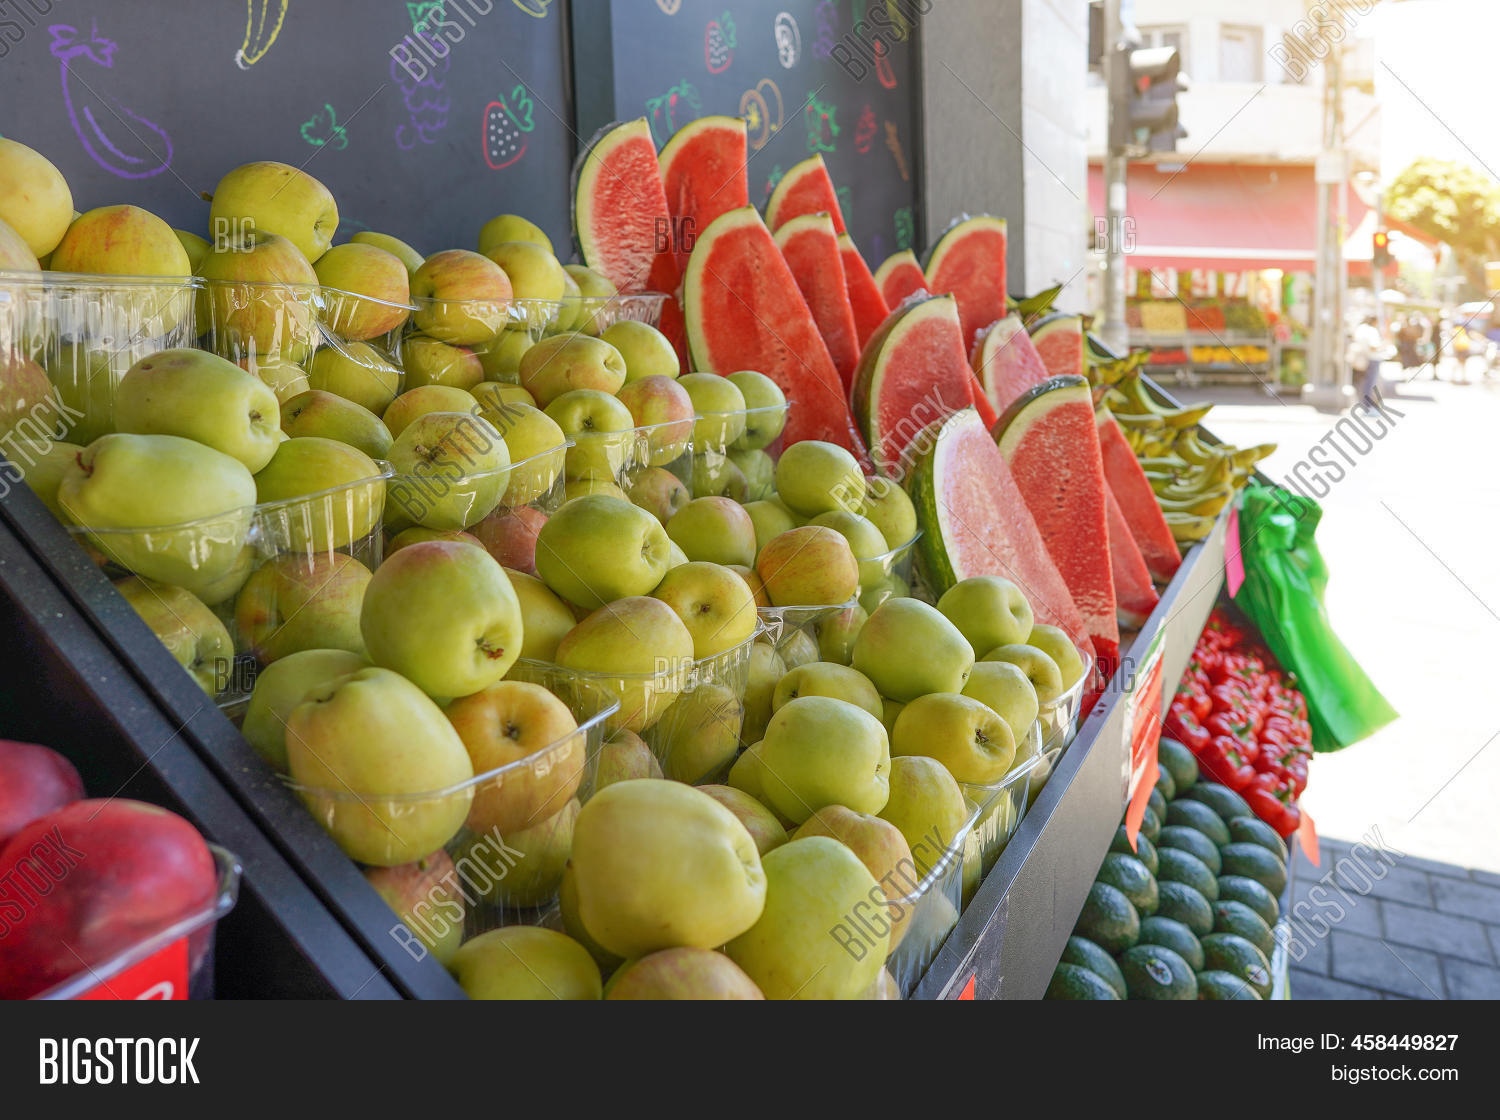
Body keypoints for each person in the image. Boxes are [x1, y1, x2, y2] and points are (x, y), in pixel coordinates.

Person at [1348, 316, 1384, 405]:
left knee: (1360, 382)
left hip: (1360, 358)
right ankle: (1367, 404)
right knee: (1370, 382)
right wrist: (1383, 347)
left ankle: (1360, 401)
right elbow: (1373, 347)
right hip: (1373, 358)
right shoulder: (1372, 330)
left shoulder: (1360, 329)